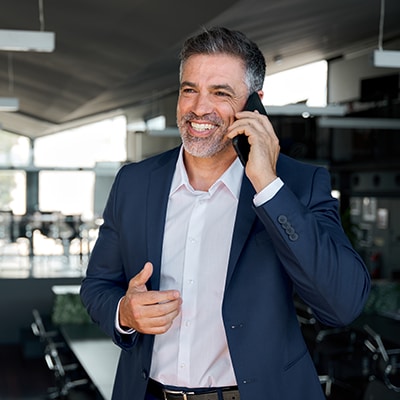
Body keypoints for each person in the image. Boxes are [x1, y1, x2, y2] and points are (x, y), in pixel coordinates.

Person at [80, 26, 370, 400]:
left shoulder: (298, 184)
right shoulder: (134, 183)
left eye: (220, 93)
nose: (200, 108)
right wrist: (124, 312)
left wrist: (268, 185)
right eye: (190, 90)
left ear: (255, 104)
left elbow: (342, 304)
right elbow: (96, 286)